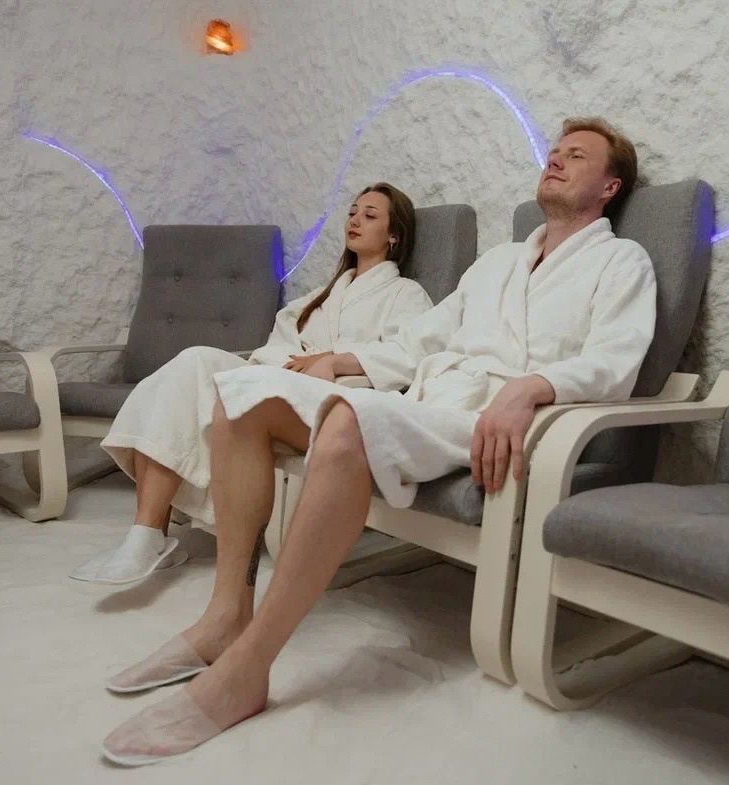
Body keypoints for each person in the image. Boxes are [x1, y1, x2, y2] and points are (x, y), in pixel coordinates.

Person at [101, 117, 658, 765]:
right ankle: (225, 615)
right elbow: (423, 339)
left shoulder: (622, 261)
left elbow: (617, 359)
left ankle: (247, 668)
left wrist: (534, 385)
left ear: (609, 186)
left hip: (504, 421)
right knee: (242, 395)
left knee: (345, 422)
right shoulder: (498, 263)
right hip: (432, 401)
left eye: (577, 155)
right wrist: (342, 360)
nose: (555, 160)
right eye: (555, 151)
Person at [71, 182, 432, 585]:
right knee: (194, 361)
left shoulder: (406, 294)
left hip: (338, 401)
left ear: (393, 234)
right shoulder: (323, 295)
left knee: (210, 380)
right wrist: (297, 365)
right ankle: (148, 533)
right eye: (352, 212)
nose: (355, 220)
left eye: (370, 215)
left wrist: (333, 360)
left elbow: (410, 356)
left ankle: (150, 536)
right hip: (285, 381)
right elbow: (275, 345)